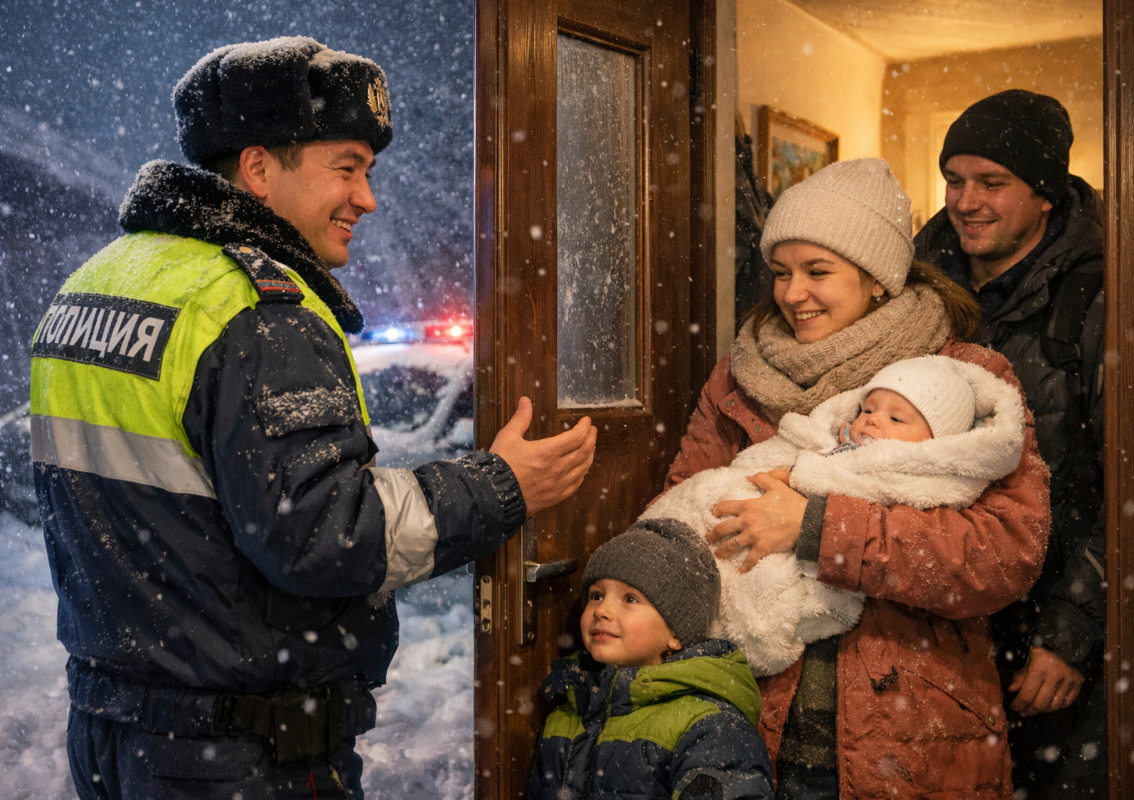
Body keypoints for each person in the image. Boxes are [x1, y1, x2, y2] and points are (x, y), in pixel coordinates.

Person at [30, 37, 596, 799]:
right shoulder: (257, 313)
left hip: (112, 735)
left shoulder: (96, 284)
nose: (367, 198)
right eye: (347, 168)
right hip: (239, 754)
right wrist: (500, 486)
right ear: (259, 169)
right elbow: (326, 533)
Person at [664, 157, 1051, 799]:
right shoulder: (740, 378)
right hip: (745, 723)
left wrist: (815, 526)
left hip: (910, 737)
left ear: (878, 280)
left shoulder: (964, 381)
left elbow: (1004, 554)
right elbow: (681, 515)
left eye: (818, 272)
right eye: (782, 272)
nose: (793, 294)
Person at [914, 90, 1106, 798]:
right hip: (941, 611)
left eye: (991, 182)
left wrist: (1071, 630)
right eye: (954, 179)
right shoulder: (916, 282)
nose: (965, 201)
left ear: (1045, 195)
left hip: (1050, 615)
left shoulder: (1101, 295)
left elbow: (1130, 487)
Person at [645, 355, 1027, 679]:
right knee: (703, 498)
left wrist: (811, 516)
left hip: (882, 653)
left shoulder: (919, 472)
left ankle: (719, 636)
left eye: (897, 420)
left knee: (761, 603)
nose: (873, 421)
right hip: (750, 528)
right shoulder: (823, 431)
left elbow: (992, 556)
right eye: (868, 410)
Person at [527, 519, 774, 800]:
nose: (602, 610)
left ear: (675, 633)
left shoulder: (709, 727)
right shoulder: (566, 714)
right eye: (596, 595)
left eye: (630, 599)